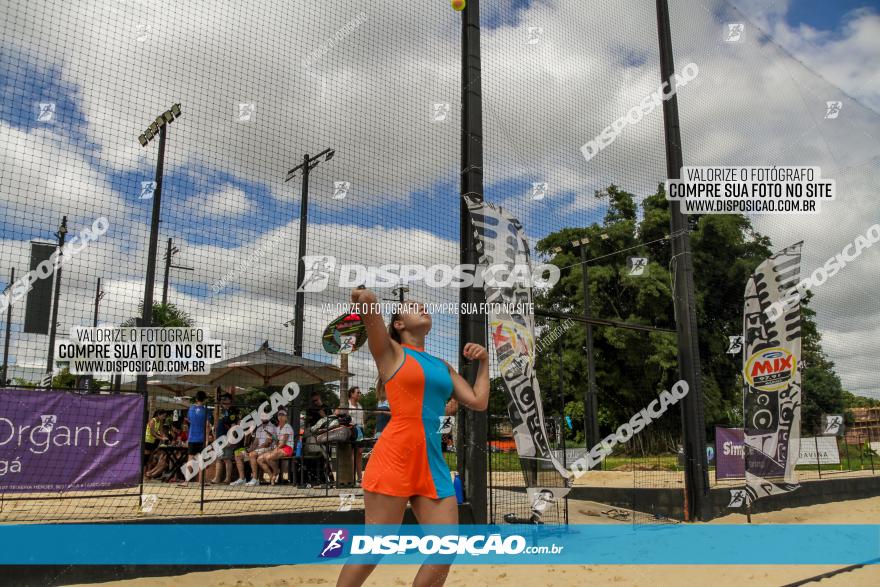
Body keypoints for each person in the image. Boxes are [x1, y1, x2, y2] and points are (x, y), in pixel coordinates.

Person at [337, 291, 489, 587]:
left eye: (422, 306)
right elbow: (369, 310)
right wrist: (364, 295)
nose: (421, 307)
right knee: (375, 548)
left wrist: (483, 363)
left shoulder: (442, 365)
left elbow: (478, 400)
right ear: (398, 325)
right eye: (411, 307)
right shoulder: (390, 352)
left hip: (431, 461)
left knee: (446, 549)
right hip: (395, 456)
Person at [231, 414, 277, 486]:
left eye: (264, 417)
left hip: (269, 449)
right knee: (238, 455)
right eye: (261, 417)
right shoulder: (259, 428)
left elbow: (267, 443)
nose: (262, 419)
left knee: (252, 455)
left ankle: (255, 479)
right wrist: (247, 450)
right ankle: (242, 479)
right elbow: (255, 443)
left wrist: (253, 450)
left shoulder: (272, 427)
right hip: (259, 449)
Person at [335, 386, 365, 485]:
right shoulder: (346, 404)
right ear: (351, 394)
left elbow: (362, 419)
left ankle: (360, 478)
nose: (359, 394)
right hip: (351, 430)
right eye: (358, 392)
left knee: (360, 453)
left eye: (360, 392)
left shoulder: (360, 405)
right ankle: (351, 478)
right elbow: (336, 413)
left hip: (360, 430)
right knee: (352, 453)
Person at [180, 390, 211, 486]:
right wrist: (206, 440)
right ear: (204, 399)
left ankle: (186, 481)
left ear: (196, 399)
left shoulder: (191, 409)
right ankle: (201, 482)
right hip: (201, 438)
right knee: (201, 460)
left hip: (192, 437)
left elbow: (189, 420)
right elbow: (207, 426)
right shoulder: (206, 410)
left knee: (190, 459)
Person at [257, 409, 294, 485]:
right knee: (259, 459)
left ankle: (276, 471)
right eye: (279, 415)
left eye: (283, 415)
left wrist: (276, 448)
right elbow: (277, 441)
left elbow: (283, 443)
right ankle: (271, 476)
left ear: (286, 417)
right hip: (278, 448)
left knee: (268, 457)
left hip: (287, 448)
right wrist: (272, 436)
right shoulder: (277, 428)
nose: (280, 416)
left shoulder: (287, 427)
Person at [210, 392, 240, 484]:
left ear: (229, 401)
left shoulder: (232, 411)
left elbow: (234, 426)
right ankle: (217, 478)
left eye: (224, 399)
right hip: (219, 438)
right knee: (219, 458)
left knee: (227, 458)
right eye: (222, 400)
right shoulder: (221, 410)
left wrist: (231, 440)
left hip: (227, 439)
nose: (222, 401)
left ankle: (227, 478)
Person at [144, 410, 168, 475]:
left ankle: (147, 474)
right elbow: (153, 433)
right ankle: (143, 476)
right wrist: (162, 438)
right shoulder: (152, 421)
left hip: (153, 441)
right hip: (147, 440)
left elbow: (161, 431)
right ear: (158, 415)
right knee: (146, 458)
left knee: (150, 459)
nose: (164, 417)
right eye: (163, 416)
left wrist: (164, 436)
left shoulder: (160, 421)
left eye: (165, 416)